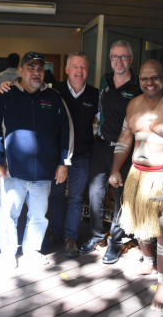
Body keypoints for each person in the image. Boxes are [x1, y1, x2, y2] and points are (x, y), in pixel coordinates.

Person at [108, 59, 163, 311]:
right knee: (139, 223)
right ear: (139, 80)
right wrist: (115, 168)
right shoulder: (133, 104)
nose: (149, 83)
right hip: (138, 174)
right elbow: (125, 139)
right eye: (145, 78)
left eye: (154, 78)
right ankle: (149, 261)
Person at [0, 51, 73, 268]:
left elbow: (66, 131)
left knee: (39, 216)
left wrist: (63, 162)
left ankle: (31, 250)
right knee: (8, 215)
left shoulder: (54, 98)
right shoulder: (5, 96)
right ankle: (8, 253)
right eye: (31, 68)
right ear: (21, 71)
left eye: (40, 69)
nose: (36, 72)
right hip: (12, 171)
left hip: (44, 173)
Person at [79, 40, 142, 265]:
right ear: (110, 59)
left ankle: (116, 243)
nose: (119, 61)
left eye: (123, 56)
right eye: (115, 56)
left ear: (131, 59)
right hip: (102, 145)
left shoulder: (138, 87)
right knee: (95, 193)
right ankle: (97, 235)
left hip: (124, 150)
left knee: (121, 198)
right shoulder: (105, 81)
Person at [44, 52, 98, 257]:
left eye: (83, 67)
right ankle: (56, 232)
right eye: (75, 66)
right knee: (56, 196)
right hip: (58, 157)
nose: (79, 71)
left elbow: (104, 122)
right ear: (67, 69)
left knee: (75, 198)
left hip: (82, 155)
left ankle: (70, 238)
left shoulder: (95, 95)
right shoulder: (53, 90)